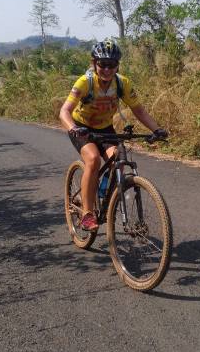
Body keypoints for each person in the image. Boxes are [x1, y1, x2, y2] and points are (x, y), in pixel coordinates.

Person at [59, 38, 168, 232]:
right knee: (93, 159)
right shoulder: (85, 82)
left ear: (117, 66)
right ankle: (87, 212)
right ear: (94, 64)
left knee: (117, 156)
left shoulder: (122, 83)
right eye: (102, 64)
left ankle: (100, 192)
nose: (107, 69)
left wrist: (156, 130)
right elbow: (64, 111)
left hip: (105, 127)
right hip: (82, 127)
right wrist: (73, 128)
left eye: (112, 65)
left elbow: (139, 110)